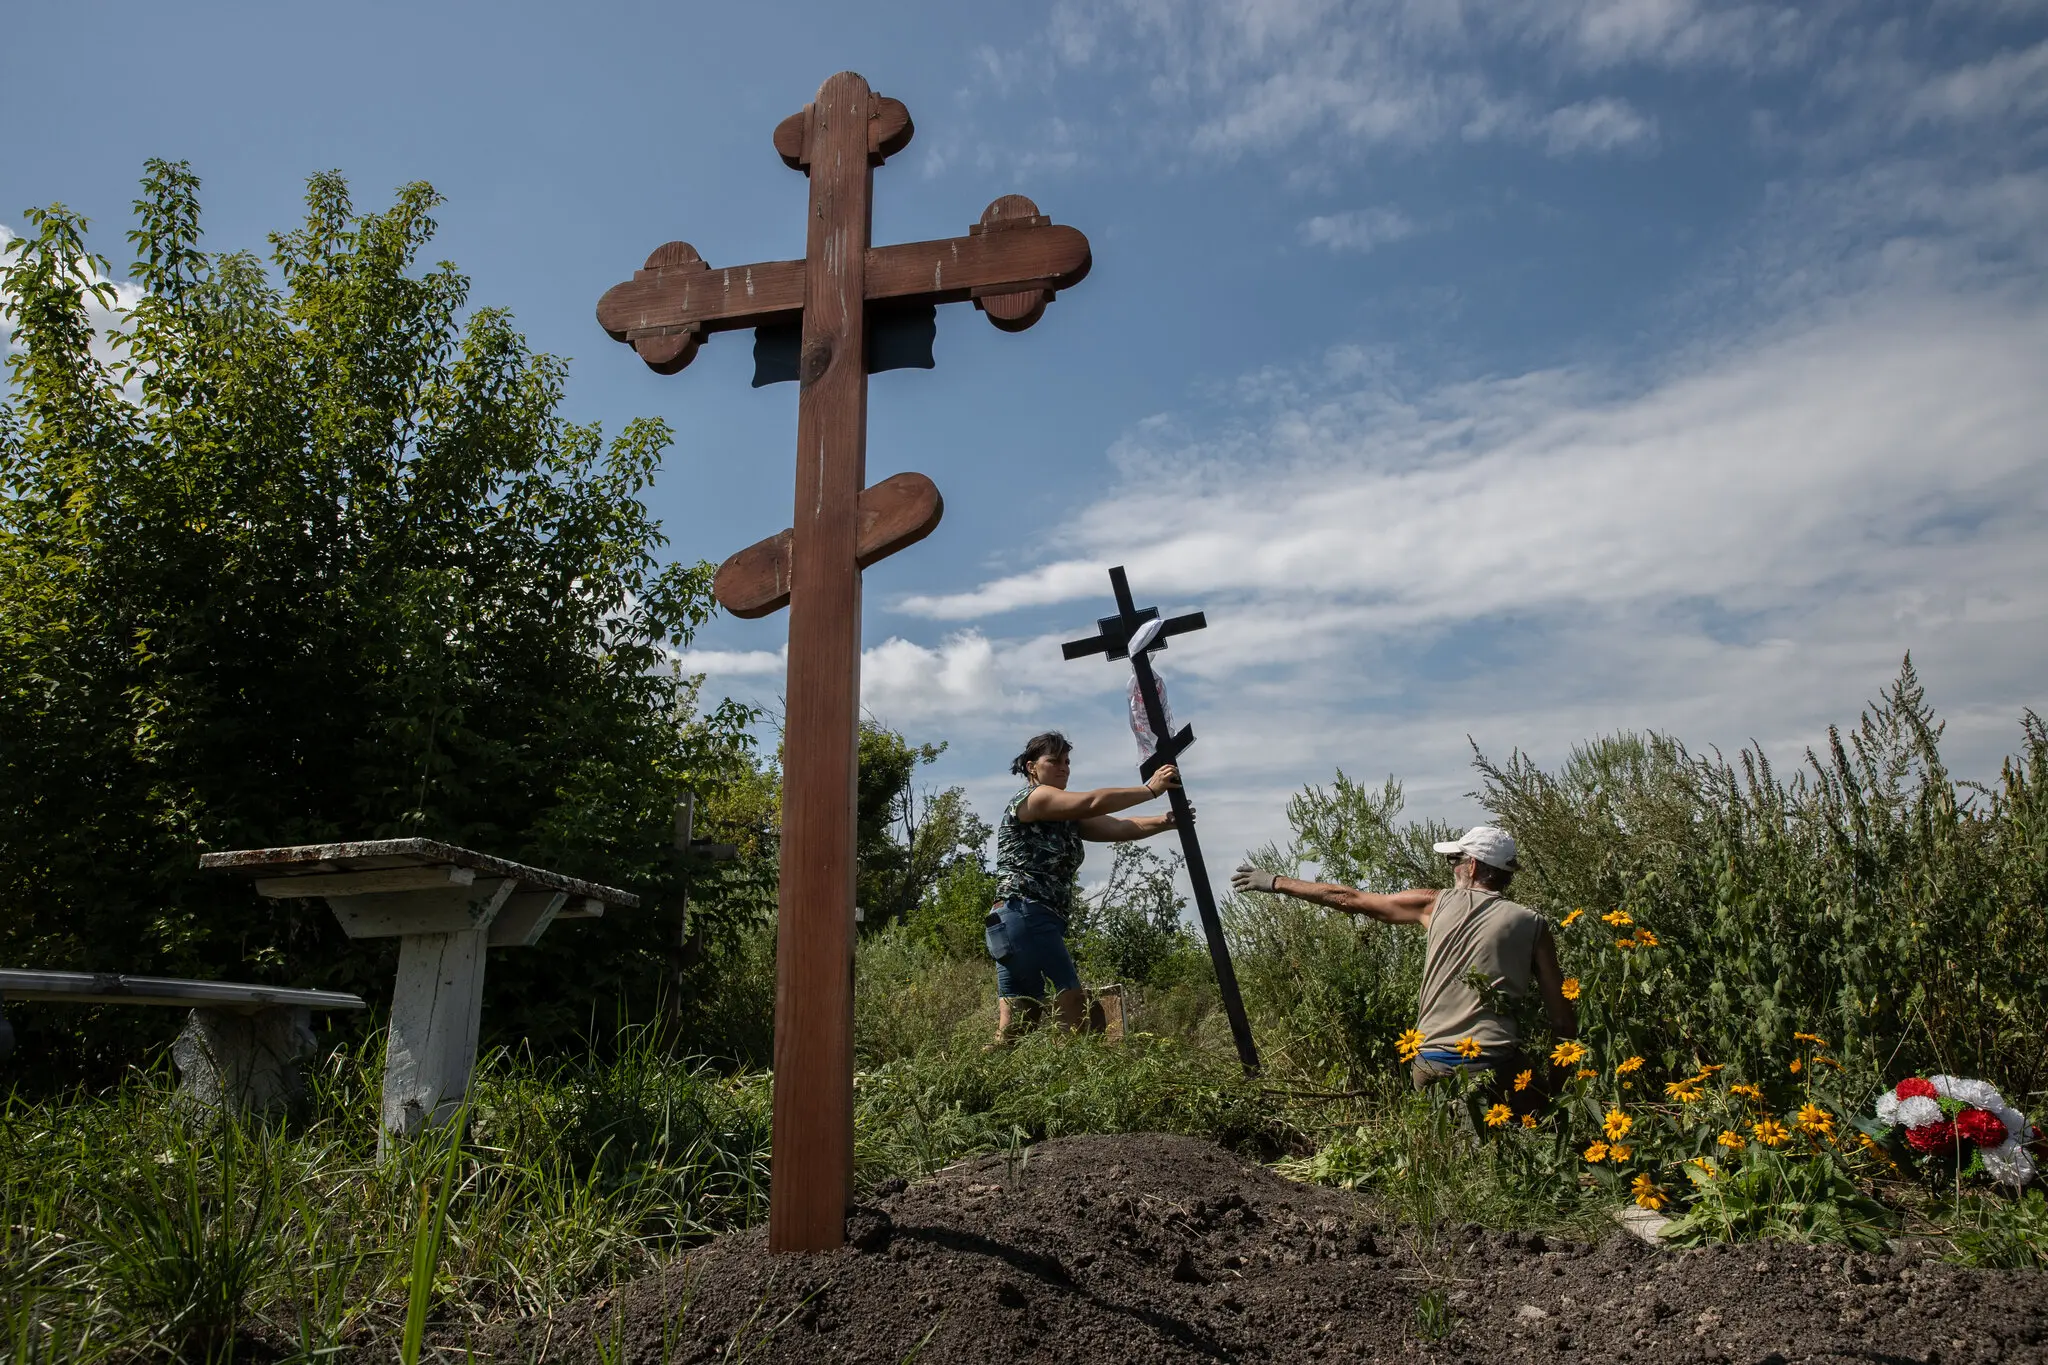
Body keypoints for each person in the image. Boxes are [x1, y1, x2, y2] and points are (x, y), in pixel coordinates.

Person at [1229, 825, 1575, 1111]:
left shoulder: (1433, 903)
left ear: (1472, 867)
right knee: (1545, 1124)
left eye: (1455, 859)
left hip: (1430, 1065)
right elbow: (1561, 1018)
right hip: (1493, 1066)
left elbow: (1349, 899)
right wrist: (1559, 1092)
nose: (1452, 867)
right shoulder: (1533, 924)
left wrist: (1277, 881)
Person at [988, 731, 1183, 1043]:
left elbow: (1118, 827)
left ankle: (978, 1082)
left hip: (1012, 922)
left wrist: (1164, 820)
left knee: (1016, 1027)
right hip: (1028, 915)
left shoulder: (1066, 817)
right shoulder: (1035, 798)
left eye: (1067, 761)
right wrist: (1150, 789)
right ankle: (1075, 1081)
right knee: (1074, 1007)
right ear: (1031, 767)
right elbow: (1092, 800)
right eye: (1054, 761)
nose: (1064, 767)